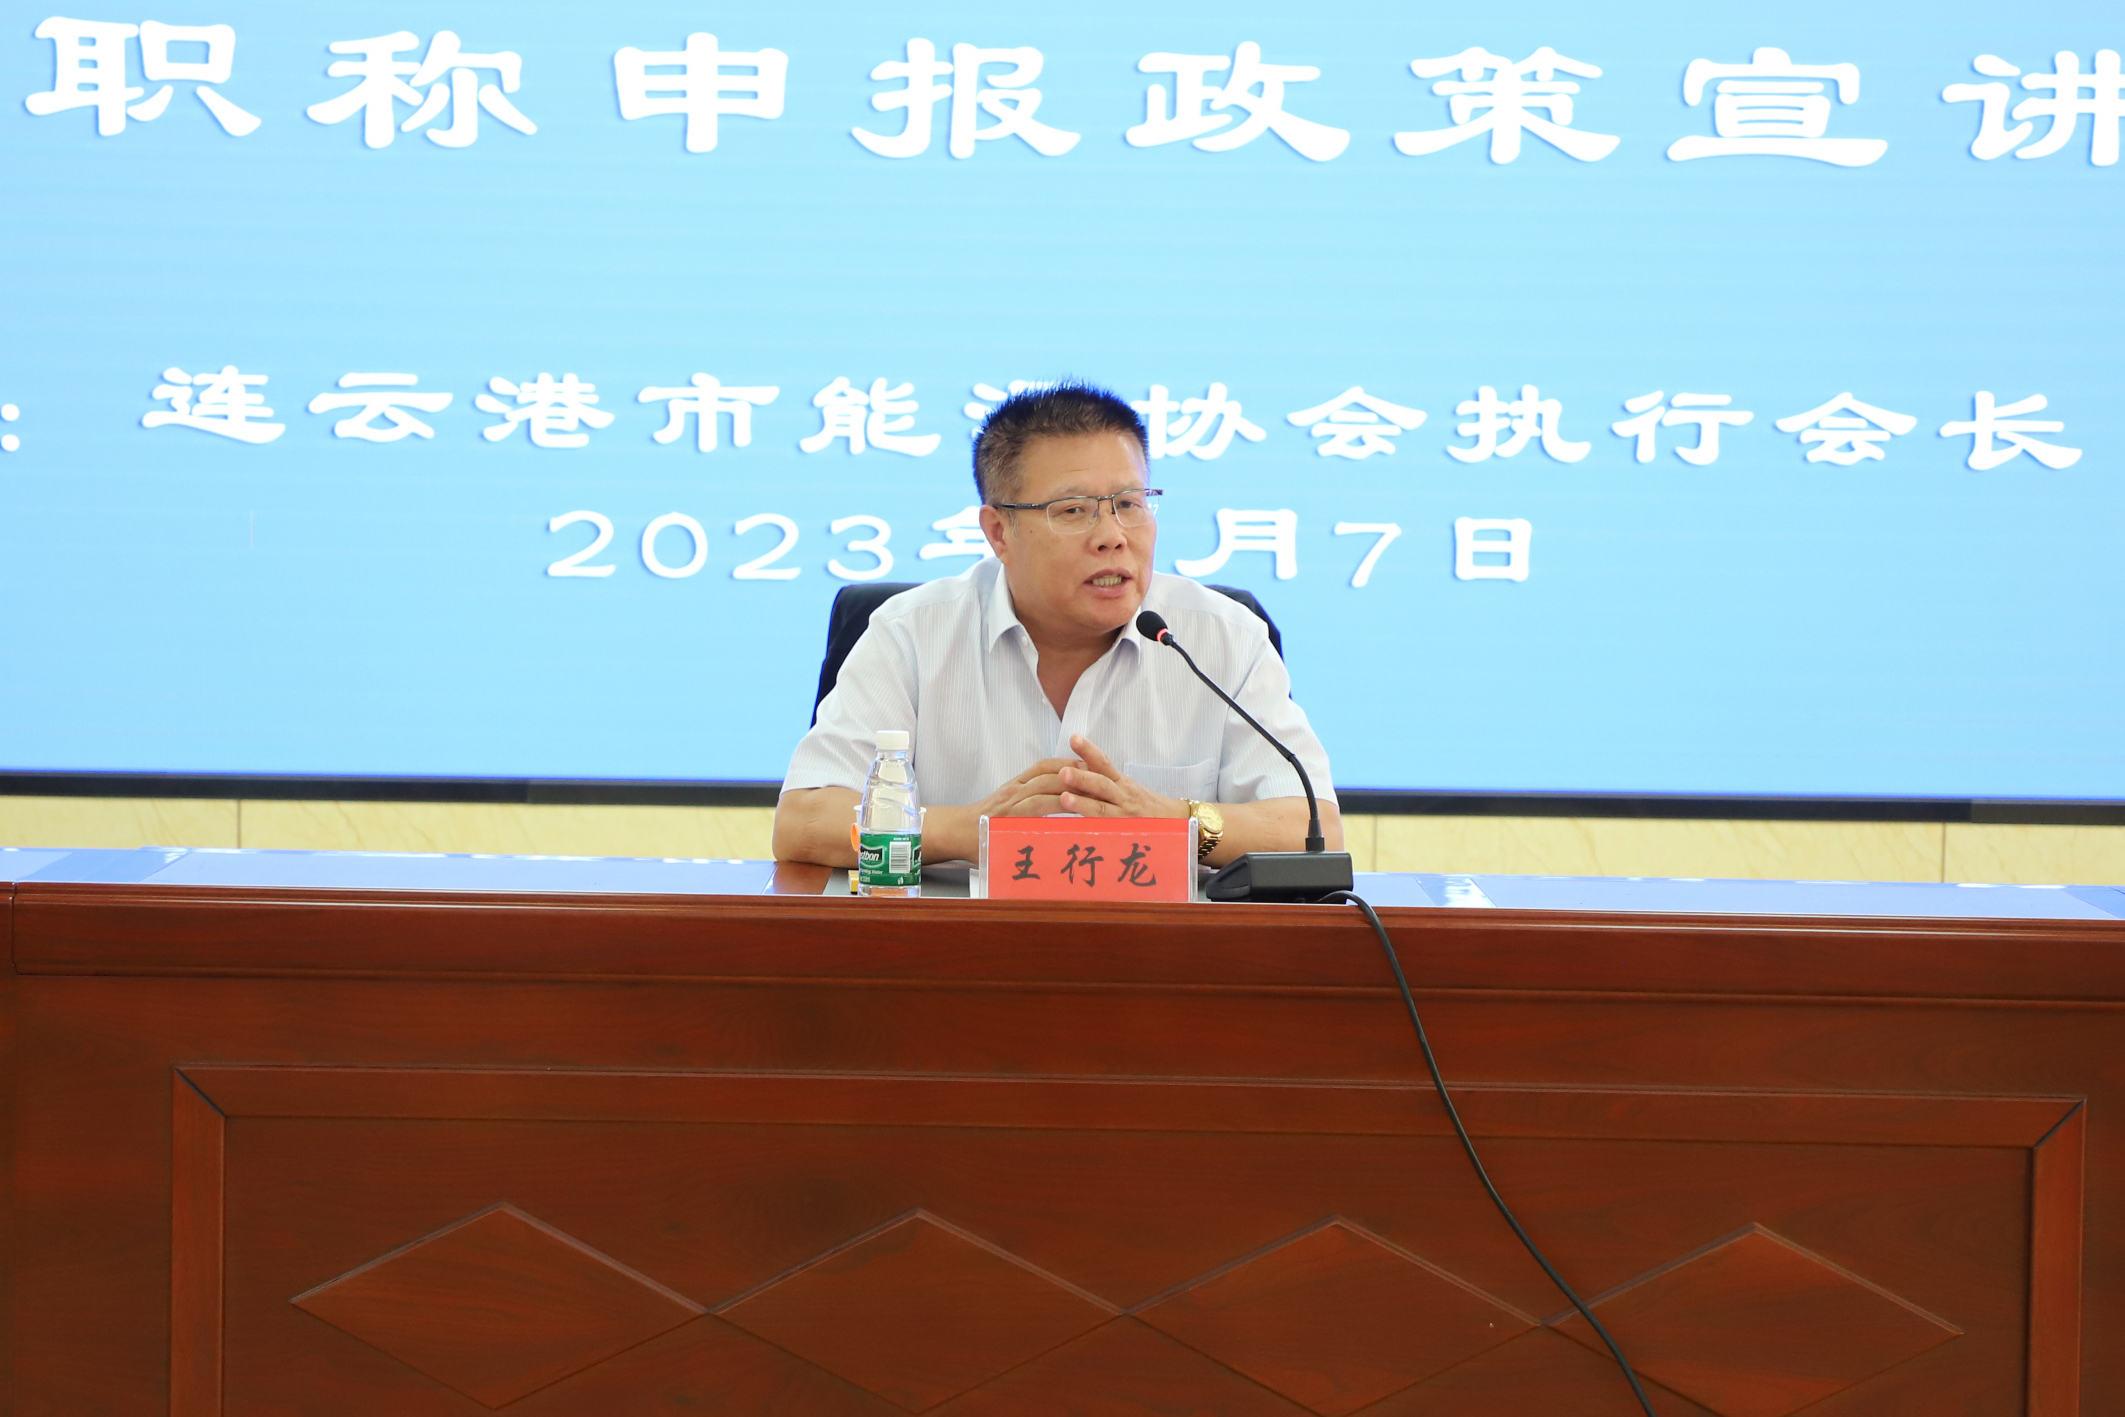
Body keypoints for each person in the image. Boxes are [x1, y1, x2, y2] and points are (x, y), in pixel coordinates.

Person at [773, 382, 1340, 868]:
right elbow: (802, 823)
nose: (1113, 536)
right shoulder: (911, 633)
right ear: (999, 532)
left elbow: (1315, 832)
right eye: (1073, 510)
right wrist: (970, 830)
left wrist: (1172, 822)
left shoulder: (1225, 639)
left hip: (1163, 954)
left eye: (1130, 504)